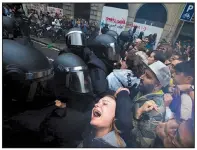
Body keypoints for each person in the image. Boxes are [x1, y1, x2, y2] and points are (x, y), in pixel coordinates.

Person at [114, 61, 171, 147]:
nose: (141, 77)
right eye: (144, 73)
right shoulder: (142, 90)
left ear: (157, 85)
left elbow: (142, 144)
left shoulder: (155, 110)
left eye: (148, 76)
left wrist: (136, 117)